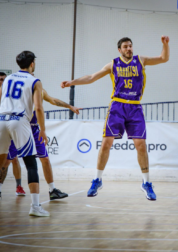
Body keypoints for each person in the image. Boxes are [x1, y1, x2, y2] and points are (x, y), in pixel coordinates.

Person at [61, 36, 170, 200]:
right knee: (106, 143)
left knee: (141, 145)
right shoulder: (113, 64)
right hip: (117, 106)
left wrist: (165, 44)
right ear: (120, 50)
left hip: (135, 106)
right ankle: (97, 179)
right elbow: (92, 77)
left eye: (130, 46)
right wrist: (72, 82)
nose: (129, 49)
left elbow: (163, 58)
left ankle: (146, 183)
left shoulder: (141, 60)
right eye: (125, 47)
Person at [5, 87, 80, 200]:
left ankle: (52, 190)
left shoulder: (40, 90)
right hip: (20, 128)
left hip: (35, 130)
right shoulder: (17, 89)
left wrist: (70, 106)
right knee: (6, 161)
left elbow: (53, 101)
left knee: (45, 159)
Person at [0, 51, 49, 216]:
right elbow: (39, 107)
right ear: (32, 64)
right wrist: (43, 129)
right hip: (18, 121)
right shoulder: (35, 80)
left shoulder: (7, 78)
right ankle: (35, 207)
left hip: (1, 119)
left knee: (1, 163)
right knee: (30, 163)